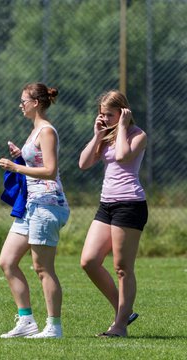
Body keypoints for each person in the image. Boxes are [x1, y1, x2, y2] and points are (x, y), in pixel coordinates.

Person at [0, 82, 70, 339]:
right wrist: (21, 156)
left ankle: (54, 326)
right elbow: (37, 160)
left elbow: (50, 170)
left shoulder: (47, 131)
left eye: (24, 101)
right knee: (7, 261)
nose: (21, 105)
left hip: (48, 204)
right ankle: (27, 321)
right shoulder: (34, 131)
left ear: (36, 103)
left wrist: (16, 167)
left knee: (42, 268)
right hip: (31, 205)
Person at [79, 89, 148, 337]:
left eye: (109, 115)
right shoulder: (106, 135)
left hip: (130, 204)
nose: (105, 119)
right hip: (106, 204)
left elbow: (122, 155)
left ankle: (119, 326)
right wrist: (97, 135)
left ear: (123, 112)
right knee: (88, 261)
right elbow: (84, 163)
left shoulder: (138, 135)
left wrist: (123, 127)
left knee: (122, 267)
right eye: (102, 115)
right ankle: (124, 311)